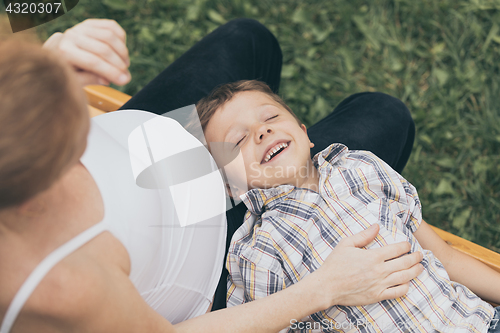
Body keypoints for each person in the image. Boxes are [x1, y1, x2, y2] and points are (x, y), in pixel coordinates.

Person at [0, 18, 425, 333]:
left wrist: (37, 62)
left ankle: (255, 145)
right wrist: (322, 289)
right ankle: (270, 183)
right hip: (219, 259)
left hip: (157, 143)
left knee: (248, 40)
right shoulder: (53, 285)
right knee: (385, 116)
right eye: (62, 103)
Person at [196, 79, 500, 332]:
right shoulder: (256, 250)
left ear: (304, 132)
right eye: (238, 140)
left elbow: (445, 257)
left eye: (271, 117)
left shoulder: (363, 167)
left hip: (478, 322)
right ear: (230, 187)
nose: (262, 131)